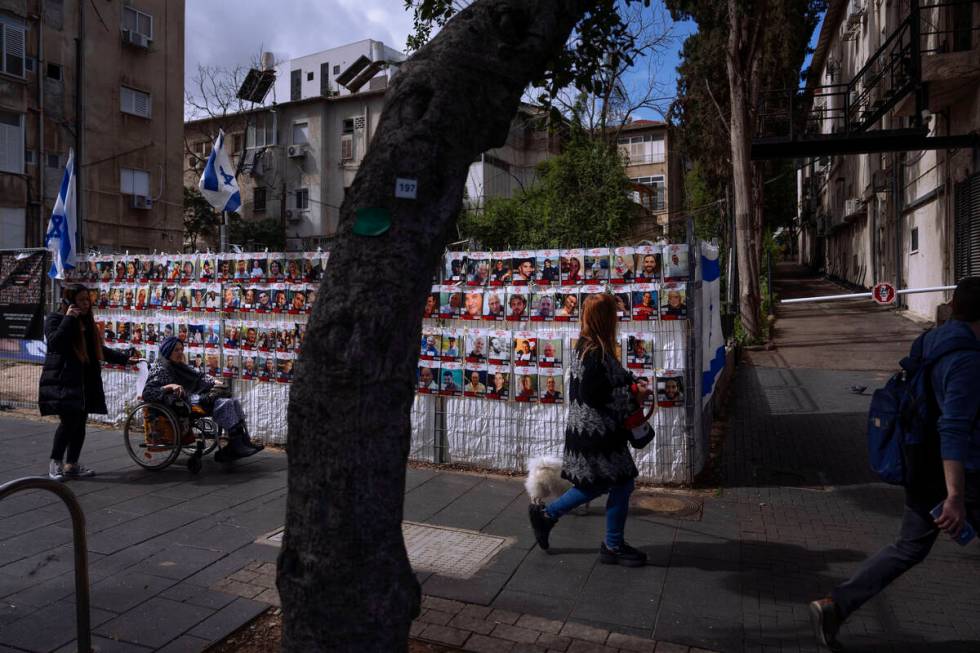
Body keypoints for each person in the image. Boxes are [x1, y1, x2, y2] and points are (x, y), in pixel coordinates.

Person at [810, 277, 980, 651]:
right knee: (908, 548)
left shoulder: (934, 339)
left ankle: (836, 605)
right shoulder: (967, 360)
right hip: (958, 475)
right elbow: (953, 427)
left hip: (920, 463)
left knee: (908, 548)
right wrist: (955, 496)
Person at [528, 293, 656, 567]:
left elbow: (611, 378)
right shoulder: (594, 352)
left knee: (600, 484)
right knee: (619, 483)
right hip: (598, 437)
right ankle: (611, 544)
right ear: (605, 318)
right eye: (614, 315)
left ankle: (550, 517)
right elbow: (595, 395)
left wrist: (632, 381)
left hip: (590, 435)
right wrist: (636, 397)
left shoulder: (589, 346)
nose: (618, 320)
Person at [39, 285, 137, 480]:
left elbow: (98, 350)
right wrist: (69, 318)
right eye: (81, 300)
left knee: (80, 423)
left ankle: (72, 464)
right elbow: (55, 343)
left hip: (85, 381)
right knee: (69, 422)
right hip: (63, 379)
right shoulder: (56, 319)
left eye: (87, 300)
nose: (85, 304)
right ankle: (55, 462)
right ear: (69, 301)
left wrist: (125, 359)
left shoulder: (86, 323)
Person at [143, 337, 262, 461]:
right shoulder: (161, 369)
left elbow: (198, 377)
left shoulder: (179, 366)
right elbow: (148, 392)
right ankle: (235, 445)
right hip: (181, 403)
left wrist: (215, 382)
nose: (180, 353)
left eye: (181, 350)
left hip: (192, 397)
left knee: (233, 401)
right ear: (167, 351)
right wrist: (170, 386)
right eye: (176, 350)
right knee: (223, 403)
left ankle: (243, 440)